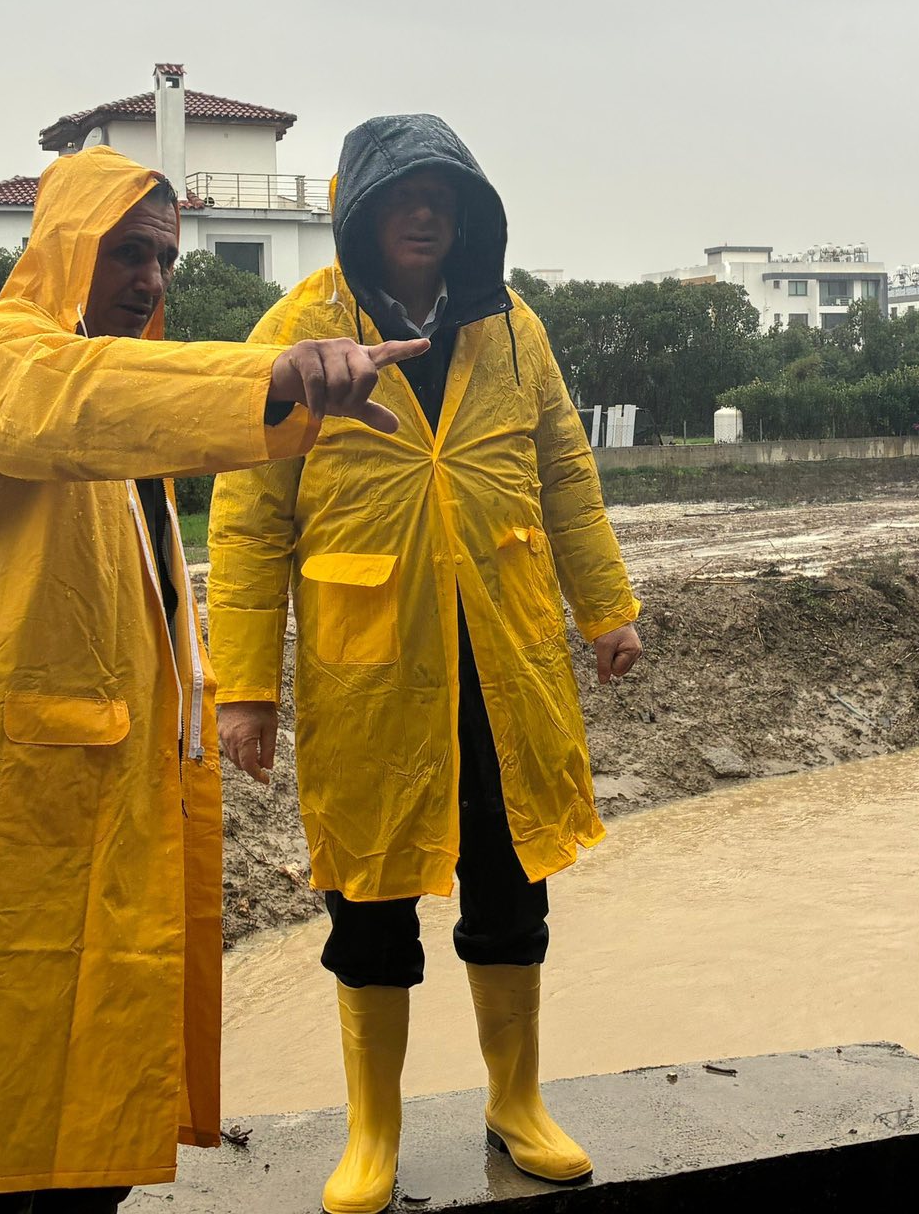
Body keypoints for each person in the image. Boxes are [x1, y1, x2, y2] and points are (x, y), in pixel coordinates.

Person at [0, 147, 426, 1210]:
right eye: (126, 253)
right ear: (64, 246)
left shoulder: (132, 413)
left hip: (89, 804)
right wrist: (277, 374)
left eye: (164, 259)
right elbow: (73, 401)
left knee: (85, 1110)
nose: (151, 279)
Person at [207, 114, 643, 1214]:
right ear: (357, 215)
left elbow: (566, 473)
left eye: (442, 198)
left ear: (469, 217)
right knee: (369, 897)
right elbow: (249, 518)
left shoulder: (514, 328)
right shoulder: (296, 333)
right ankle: (373, 1131)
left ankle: (516, 1103)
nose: (424, 214)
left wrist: (606, 609)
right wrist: (246, 689)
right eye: (402, 197)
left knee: (510, 883)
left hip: (504, 656)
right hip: (368, 670)